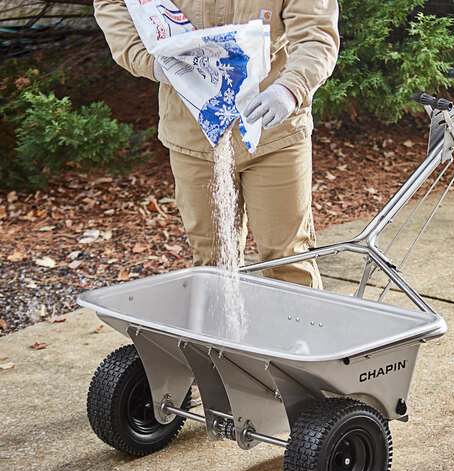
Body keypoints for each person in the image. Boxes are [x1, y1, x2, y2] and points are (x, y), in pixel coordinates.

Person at [93, 0, 340, 288]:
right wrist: (147, 60)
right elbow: (112, 3)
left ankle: (300, 333)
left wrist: (291, 87)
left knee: (288, 260)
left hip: (272, 132)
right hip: (193, 134)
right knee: (213, 264)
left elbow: (316, 32)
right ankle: (221, 332)